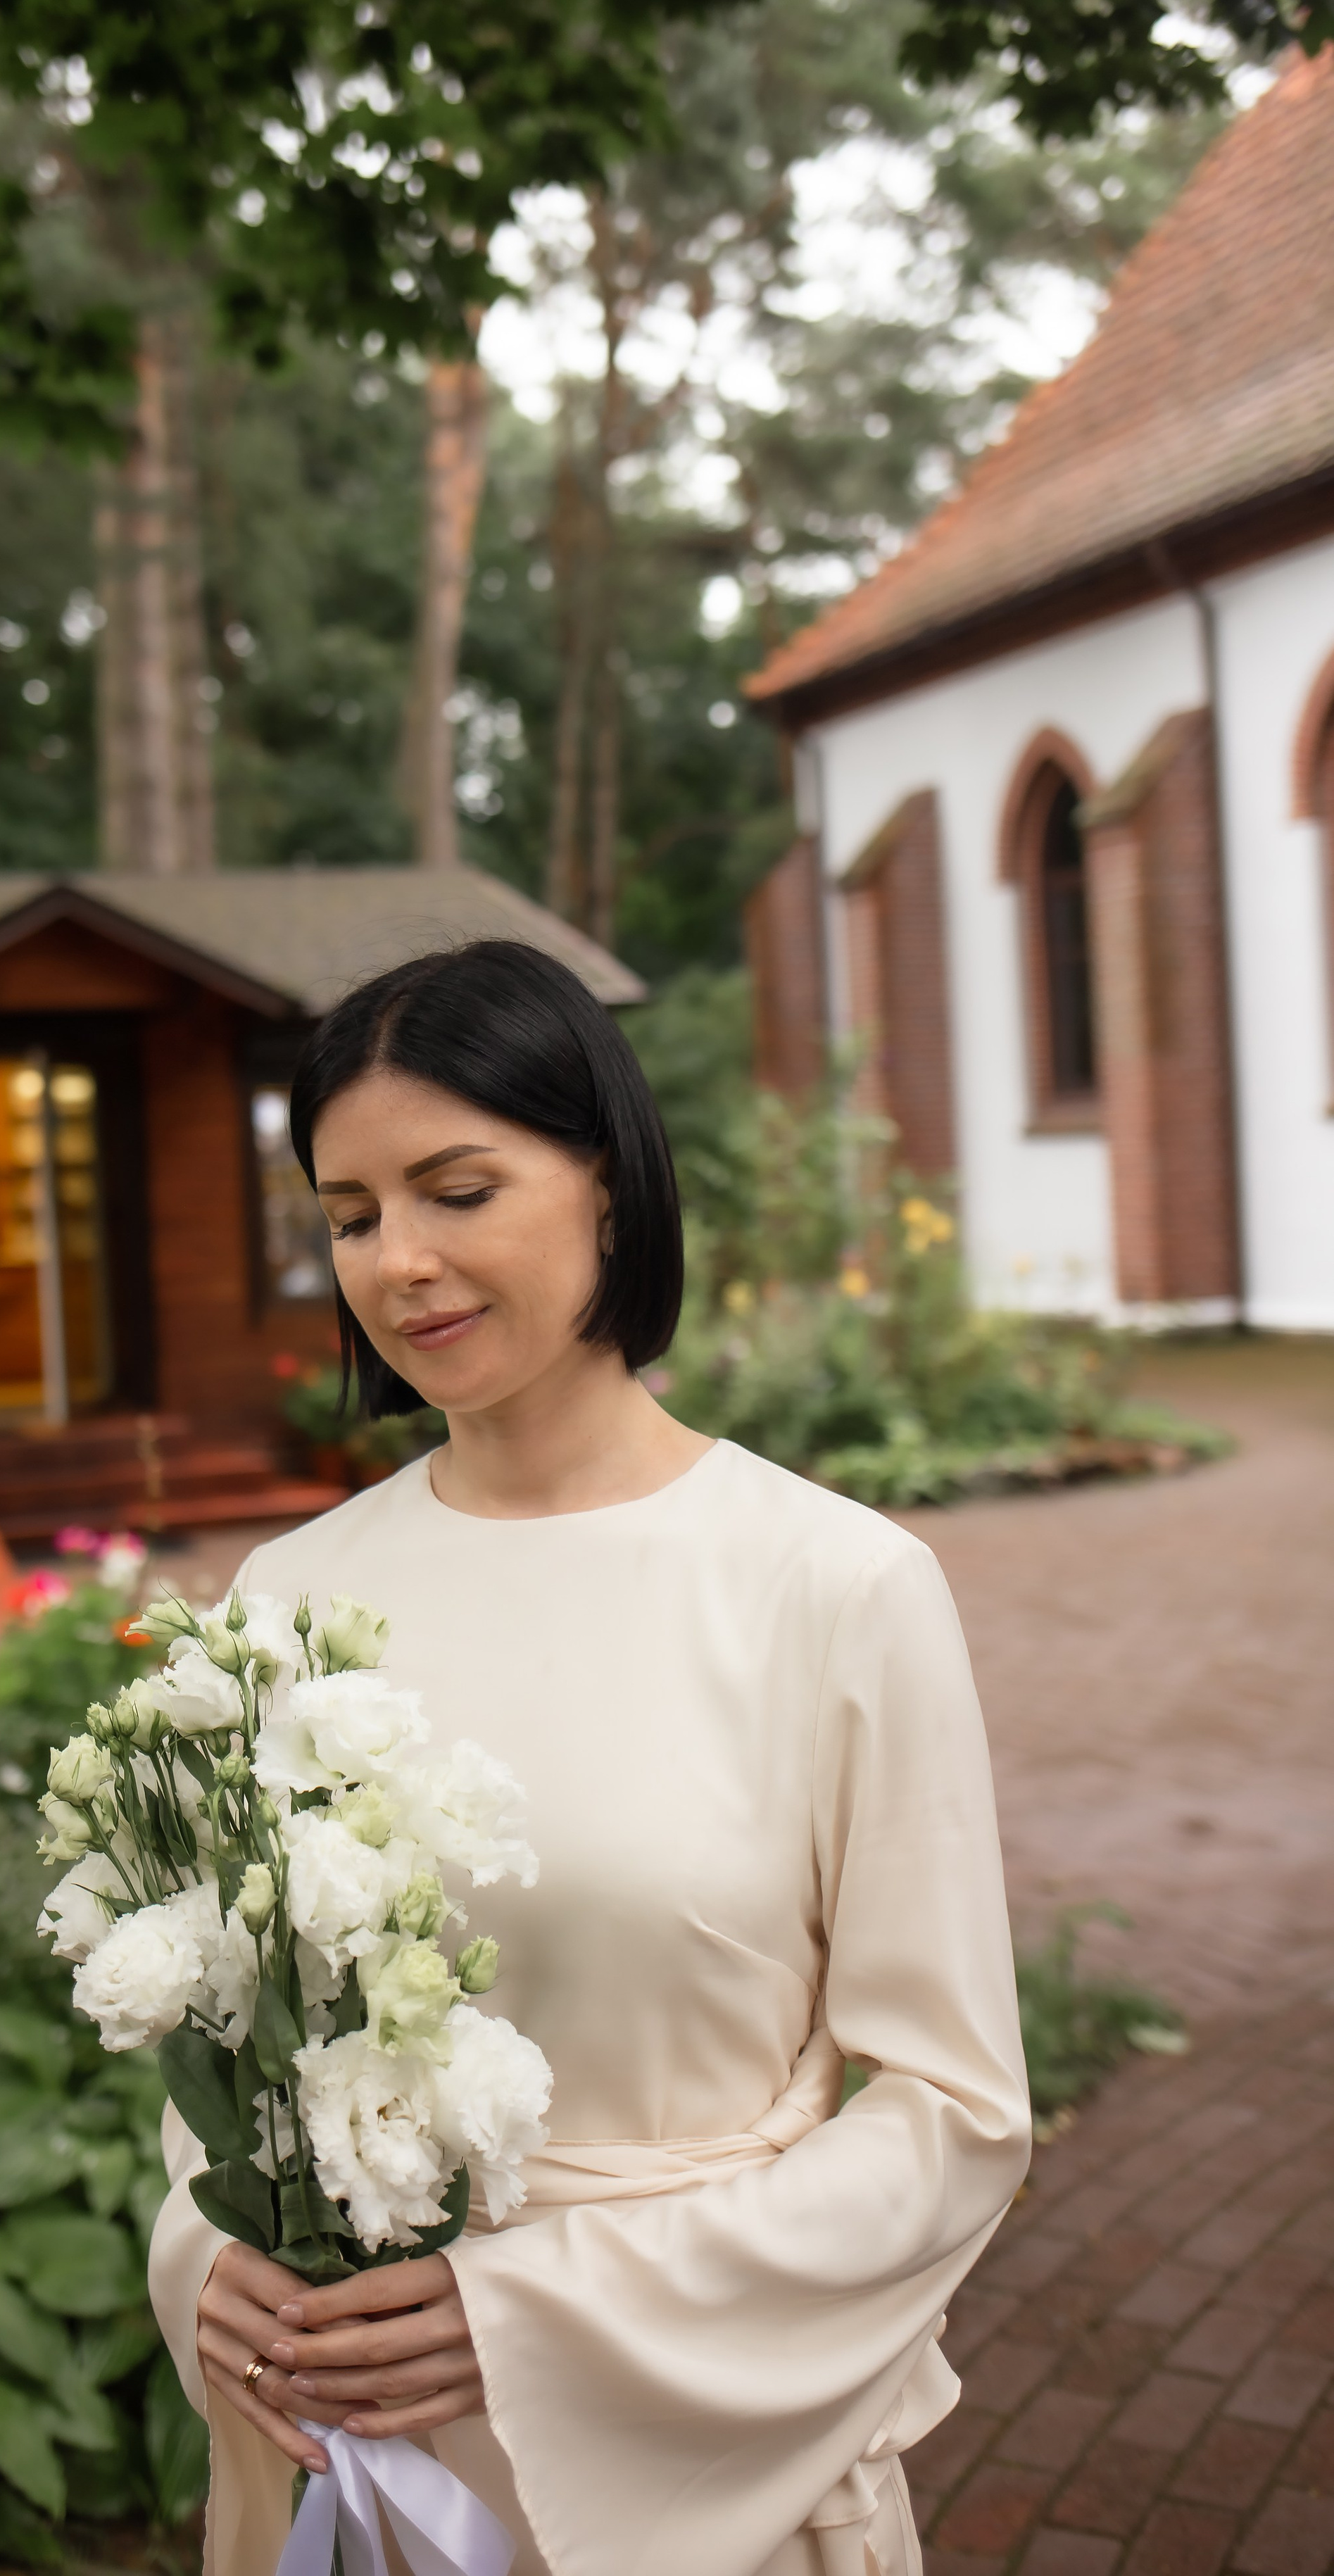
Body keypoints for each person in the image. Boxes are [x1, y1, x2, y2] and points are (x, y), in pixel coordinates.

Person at [148, 938, 1031, 2576]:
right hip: (351, 2472)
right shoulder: (289, 1601)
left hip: (705, 2464)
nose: (397, 1260)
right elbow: (227, 2045)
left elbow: (950, 2116)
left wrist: (536, 2319)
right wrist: (207, 2262)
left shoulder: (832, 1587)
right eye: (349, 1217)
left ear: (609, 1187)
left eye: (456, 1190)